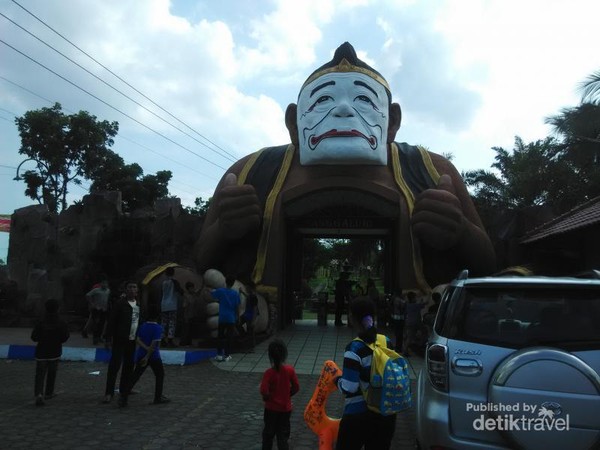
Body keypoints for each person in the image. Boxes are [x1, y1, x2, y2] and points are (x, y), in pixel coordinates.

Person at [194, 41, 495, 306]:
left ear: (392, 122)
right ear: (293, 123)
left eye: (364, 100)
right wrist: (224, 228)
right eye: (322, 99)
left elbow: (488, 263)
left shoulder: (430, 168)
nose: (343, 110)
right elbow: (200, 261)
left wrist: (459, 231)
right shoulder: (252, 170)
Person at [335, 296, 396, 449]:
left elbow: (349, 387)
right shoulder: (386, 341)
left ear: (353, 318)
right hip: (386, 412)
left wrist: (336, 380)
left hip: (358, 415)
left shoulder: (354, 349)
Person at [103, 280, 141, 407]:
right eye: (129, 287)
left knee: (129, 367)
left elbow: (141, 321)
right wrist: (108, 338)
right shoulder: (120, 304)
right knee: (114, 366)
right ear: (125, 290)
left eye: (134, 287)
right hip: (120, 339)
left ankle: (125, 390)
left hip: (132, 340)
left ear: (137, 290)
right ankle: (109, 393)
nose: (132, 289)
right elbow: (112, 321)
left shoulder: (139, 305)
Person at [260, 338, 300, 450]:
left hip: (271, 409)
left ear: (270, 356)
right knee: (283, 436)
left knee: (268, 434)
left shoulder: (269, 373)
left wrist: (267, 397)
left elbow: (264, 390)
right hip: (285, 409)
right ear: (284, 354)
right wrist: (288, 394)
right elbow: (296, 387)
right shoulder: (290, 370)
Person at [31, 298, 70, 406]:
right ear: (57, 309)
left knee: (40, 374)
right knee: (52, 372)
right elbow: (65, 336)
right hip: (55, 351)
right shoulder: (61, 322)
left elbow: (34, 337)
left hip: (41, 351)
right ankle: (49, 392)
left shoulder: (40, 321)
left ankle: (39, 394)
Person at [129, 304, 170, 405]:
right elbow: (154, 344)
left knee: (136, 374)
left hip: (141, 354)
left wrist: (145, 349)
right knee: (160, 375)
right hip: (153, 356)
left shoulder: (142, 326)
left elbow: (137, 340)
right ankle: (158, 397)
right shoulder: (158, 328)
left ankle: (125, 392)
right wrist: (148, 355)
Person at [211, 274, 241, 362]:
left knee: (220, 336)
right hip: (231, 318)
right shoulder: (235, 293)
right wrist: (238, 317)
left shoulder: (220, 291)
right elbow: (237, 307)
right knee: (229, 337)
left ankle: (219, 354)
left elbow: (212, 294)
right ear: (233, 283)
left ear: (225, 282)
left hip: (222, 318)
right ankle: (227, 355)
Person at [160, 266, 183, 348]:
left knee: (163, 323)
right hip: (172, 305)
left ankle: (162, 340)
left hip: (163, 305)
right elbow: (181, 291)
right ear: (173, 273)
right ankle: (170, 340)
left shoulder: (163, 283)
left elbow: (161, 293)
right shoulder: (175, 282)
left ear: (166, 273)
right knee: (172, 323)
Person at [85, 276, 110, 345]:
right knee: (96, 323)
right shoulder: (96, 290)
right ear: (100, 284)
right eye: (103, 283)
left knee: (102, 324)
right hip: (96, 309)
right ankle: (95, 338)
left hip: (104, 309)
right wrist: (92, 303)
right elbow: (87, 295)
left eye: (106, 283)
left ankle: (99, 337)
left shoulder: (108, 291)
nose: (104, 285)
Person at [403, 291, 426, 356]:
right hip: (415, 323)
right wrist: (423, 299)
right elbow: (424, 304)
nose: (416, 299)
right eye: (415, 297)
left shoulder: (407, 305)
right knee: (424, 332)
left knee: (409, 337)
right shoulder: (415, 305)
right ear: (413, 298)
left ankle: (405, 350)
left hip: (409, 322)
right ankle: (420, 345)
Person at [179, 281, 202, 346]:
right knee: (186, 330)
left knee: (190, 330)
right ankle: (183, 342)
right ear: (188, 288)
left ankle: (189, 342)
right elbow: (184, 306)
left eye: (193, 288)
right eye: (191, 288)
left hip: (192, 315)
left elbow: (198, 291)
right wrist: (185, 316)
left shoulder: (193, 295)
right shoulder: (186, 296)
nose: (193, 289)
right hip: (187, 315)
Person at [238, 281, 259, 352]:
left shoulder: (253, 297)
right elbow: (247, 296)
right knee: (238, 324)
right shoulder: (250, 295)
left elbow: (255, 309)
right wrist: (242, 292)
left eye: (246, 288)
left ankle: (251, 348)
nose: (246, 289)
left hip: (250, 316)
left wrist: (253, 320)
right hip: (246, 315)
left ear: (250, 288)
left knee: (250, 332)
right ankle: (246, 339)